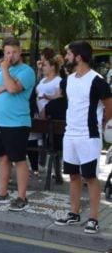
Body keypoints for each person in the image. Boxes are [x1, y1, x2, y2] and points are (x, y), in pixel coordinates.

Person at [54, 41, 112, 234]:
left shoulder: (97, 80)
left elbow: (109, 105)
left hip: (88, 136)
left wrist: (103, 121)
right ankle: (74, 213)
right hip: (70, 134)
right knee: (73, 175)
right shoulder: (68, 80)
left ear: (78, 57)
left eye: (68, 54)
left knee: (90, 177)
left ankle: (94, 219)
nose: (66, 58)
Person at [0, 37, 36, 212]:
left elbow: (14, 89)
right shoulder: (0, 71)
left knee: (19, 159)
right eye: (7, 52)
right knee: (2, 158)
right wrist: (5, 86)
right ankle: (2, 192)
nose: (10, 56)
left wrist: (6, 71)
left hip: (17, 123)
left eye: (13, 52)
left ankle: (22, 196)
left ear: (20, 52)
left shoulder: (26, 71)